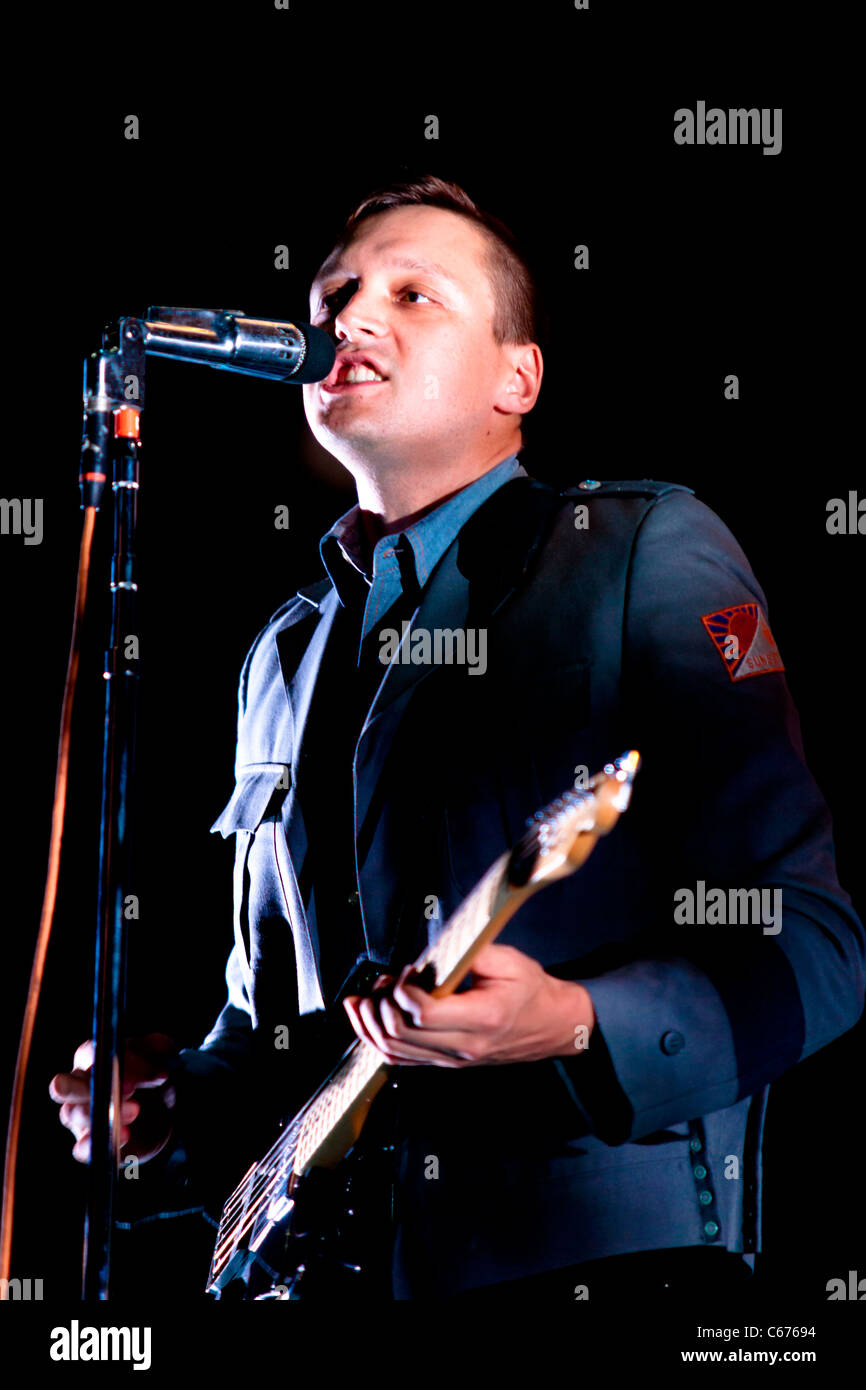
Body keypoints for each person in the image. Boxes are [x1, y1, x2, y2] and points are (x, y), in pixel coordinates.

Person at [50, 175, 866, 1301]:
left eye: (412, 293)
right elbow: (281, 1035)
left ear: (515, 376)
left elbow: (816, 948)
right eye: (335, 293)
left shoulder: (640, 551)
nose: (348, 318)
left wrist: (575, 1020)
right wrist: (169, 1106)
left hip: (603, 1275)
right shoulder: (280, 655)